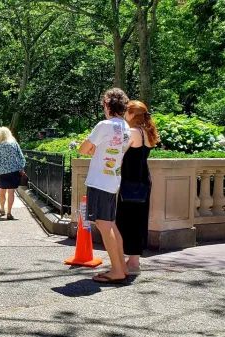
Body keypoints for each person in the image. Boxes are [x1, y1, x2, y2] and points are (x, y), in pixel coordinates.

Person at [78, 88, 131, 283]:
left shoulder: (104, 125)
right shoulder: (125, 127)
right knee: (110, 224)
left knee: (103, 224)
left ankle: (117, 270)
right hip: (112, 179)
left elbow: (83, 148)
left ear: (108, 104)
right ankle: (122, 267)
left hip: (99, 180)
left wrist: (92, 149)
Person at [116, 100, 159, 276]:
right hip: (143, 181)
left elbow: (118, 152)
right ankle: (133, 260)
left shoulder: (133, 132)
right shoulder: (146, 132)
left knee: (128, 221)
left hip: (131, 182)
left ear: (132, 114)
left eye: (127, 112)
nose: (125, 115)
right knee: (138, 220)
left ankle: (133, 264)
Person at [0, 127, 26, 220]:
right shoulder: (14, 144)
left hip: (2, 171)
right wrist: (21, 167)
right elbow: (21, 157)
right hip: (14, 170)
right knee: (11, 191)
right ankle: (9, 212)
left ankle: (2, 208)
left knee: (2, 190)